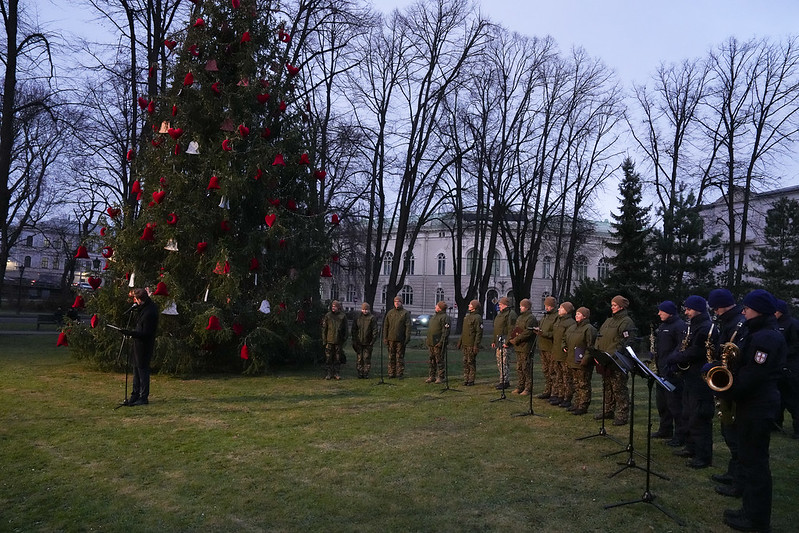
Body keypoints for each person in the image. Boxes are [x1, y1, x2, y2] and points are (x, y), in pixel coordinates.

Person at [719, 289, 786, 532]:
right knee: (748, 459)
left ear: (757, 309)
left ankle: (756, 520)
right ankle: (749, 510)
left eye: (747, 307)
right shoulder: (756, 332)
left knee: (755, 463)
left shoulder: (766, 338)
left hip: (758, 405)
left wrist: (726, 391)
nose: (743, 310)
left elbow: (753, 376)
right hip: (751, 404)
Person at [665, 295, 714, 468]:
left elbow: (696, 351)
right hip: (688, 377)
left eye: (689, 309)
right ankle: (690, 446)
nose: (686, 312)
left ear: (698, 309)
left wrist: (676, 357)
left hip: (699, 379)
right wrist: (675, 356)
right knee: (687, 413)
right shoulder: (692, 325)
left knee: (699, 416)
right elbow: (683, 345)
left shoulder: (705, 327)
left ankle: (703, 455)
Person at [708, 288, 747, 496]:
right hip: (727, 381)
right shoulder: (727, 322)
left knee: (735, 435)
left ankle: (739, 482)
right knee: (728, 431)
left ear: (720, 306)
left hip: (735, 386)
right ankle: (733, 473)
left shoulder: (738, 325)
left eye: (715, 308)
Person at [593, 295, 636, 426]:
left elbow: (627, 341)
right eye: (612, 305)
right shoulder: (608, 321)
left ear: (621, 307)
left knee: (619, 388)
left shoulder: (626, 321)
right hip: (605, 359)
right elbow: (599, 337)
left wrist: (615, 355)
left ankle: (622, 414)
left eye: (615, 305)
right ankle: (608, 410)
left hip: (618, 361)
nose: (612, 307)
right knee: (607, 387)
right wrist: (597, 352)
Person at [652, 301, 686, 444]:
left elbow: (681, 347)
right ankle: (665, 429)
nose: (659, 313)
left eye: (662, 311)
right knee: (662, 403)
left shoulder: (679, 326)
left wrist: (672, 364)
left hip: (672, 372)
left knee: (675, 405)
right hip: (661, 370)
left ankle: (679, 435)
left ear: (669, 312)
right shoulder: (662, 326)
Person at [122, 288, 159, 406]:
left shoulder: (150, 312)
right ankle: (135, 394)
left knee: (142, 371)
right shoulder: (143, 308)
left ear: (140, 300)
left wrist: (130, 333)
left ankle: (143, 397)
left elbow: (146, 333)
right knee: (136, 370)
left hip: (145, 345)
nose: (134, 301)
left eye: (135, 299)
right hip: (138, 344)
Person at [564, 306, 597, 415]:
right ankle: (576, 403)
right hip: (572, 359)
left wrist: (586, 358)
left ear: (584, 316)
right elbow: (565, 338)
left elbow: (591, 346)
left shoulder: (589, 329)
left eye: (579, 314)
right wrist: (564, 345)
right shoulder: (573, 327)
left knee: (583, 384)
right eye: (576, 313)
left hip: (582, 361)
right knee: (576, 383)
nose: (576, 315)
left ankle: (583, 405)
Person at [774, 298, 799, 439]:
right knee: (779, 398)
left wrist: (782, 353)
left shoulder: (793, 324)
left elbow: (796, 345)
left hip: (791, 367)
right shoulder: (775, 325)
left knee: (793, 399)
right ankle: (776, 424)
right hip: (779, 367)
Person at [509, 298, 539, 395]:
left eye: (522, 306)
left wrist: (517, 339)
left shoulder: (531, 318)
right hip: (519, 347)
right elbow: (516, 329)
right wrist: (512, 338)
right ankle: (520, 386)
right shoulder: (520, 317)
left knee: (526, 367)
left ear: (526, 307)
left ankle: (528, 388)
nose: (520, 307)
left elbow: (528, 332)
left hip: (526, 346)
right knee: (519, 367)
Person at [550, 302, 576, 407]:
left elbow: (568, 338)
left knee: (567, 377)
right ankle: (560, 395)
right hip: (556, 352)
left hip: (564, 354)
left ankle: (567, 397)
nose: (559, 309)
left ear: (566, 310)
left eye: (561, 308)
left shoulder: (570, 323)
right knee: (559, 376)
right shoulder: (558, 320)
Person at [535, 296, 558, 399]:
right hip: (543, 346)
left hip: (551, 347)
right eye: (545, 305)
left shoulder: (556, 317)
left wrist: (543, 333)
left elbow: (554, 333)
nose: (546, 308)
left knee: (552, 370)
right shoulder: (545, 316)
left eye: (548, 306)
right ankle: (547, 390)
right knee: (545, 370)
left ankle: (554, 392)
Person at [491, 297, 516, 389]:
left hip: (505, 342)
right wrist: (494, 341)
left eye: (500, 304)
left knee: (504, 362)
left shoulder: (510, 314)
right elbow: (496, 329)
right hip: (499, 342)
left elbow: (512, 329)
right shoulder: (500, 315)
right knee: (500, 362)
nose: (499, 306)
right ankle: (502, 380)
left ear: (505, 305)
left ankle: (505, 381)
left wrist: (508, 341)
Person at [383, 296, 411, 379]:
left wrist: (407, 337)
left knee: (400, 357)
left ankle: (400, 373)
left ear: (401, 302)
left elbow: (408, 326)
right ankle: (391, 373)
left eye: (398, 301)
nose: (397, 303)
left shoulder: (405, 313)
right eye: (395, 301)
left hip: (400, 339)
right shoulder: (390, 313)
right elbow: (386, 326)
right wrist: (385, 337)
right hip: (391, 339)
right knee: (391, 357)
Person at [425, 301, 451, 383]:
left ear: (439, 308)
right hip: (431, 343)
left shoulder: (445, 317)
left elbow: (445, 331)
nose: (435, 306)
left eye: (437, 306)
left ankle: (441, 377)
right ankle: (432, 376)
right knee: (432, 360)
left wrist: (441, 342)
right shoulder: (434, 316)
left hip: (438, 343)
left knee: (439, 360)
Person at [458, 299, 483, 386]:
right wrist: (460, 341)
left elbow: (478, 332)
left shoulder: (477, 318)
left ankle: (471, 380)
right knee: (465, 361)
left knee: (471, 362)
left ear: (474, 307)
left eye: (470, 304)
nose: (468, 305)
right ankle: (466, 379)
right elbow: (464, 331)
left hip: (471, 344)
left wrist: (476, 345)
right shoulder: (467, 317)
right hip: (465, 343)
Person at [321, 300, 348, 380]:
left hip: (338, 341)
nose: (333, 308)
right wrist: (324, 340)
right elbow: (324, 329)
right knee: (328, 358)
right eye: (332, 306)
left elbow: (345, 329)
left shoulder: (342, 316)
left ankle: (336, 373)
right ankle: (329, 373)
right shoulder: (328, 316)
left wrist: (344, 339)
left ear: (338, 307)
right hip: (329, 340)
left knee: (337, 358)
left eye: (335, 306)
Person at [351, 302, 378, 379]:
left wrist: (372, 341)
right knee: (359, 358)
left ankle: (366, 373)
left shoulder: (372, 318)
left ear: (368, 310)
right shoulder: (358, 318)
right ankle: (360, 372)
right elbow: (354, 329)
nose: (365, 311)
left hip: (368, 342)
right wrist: (355, 340)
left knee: (366, 358)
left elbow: (375, 330)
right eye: (363, 309)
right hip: (359, 341)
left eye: (366, 309)